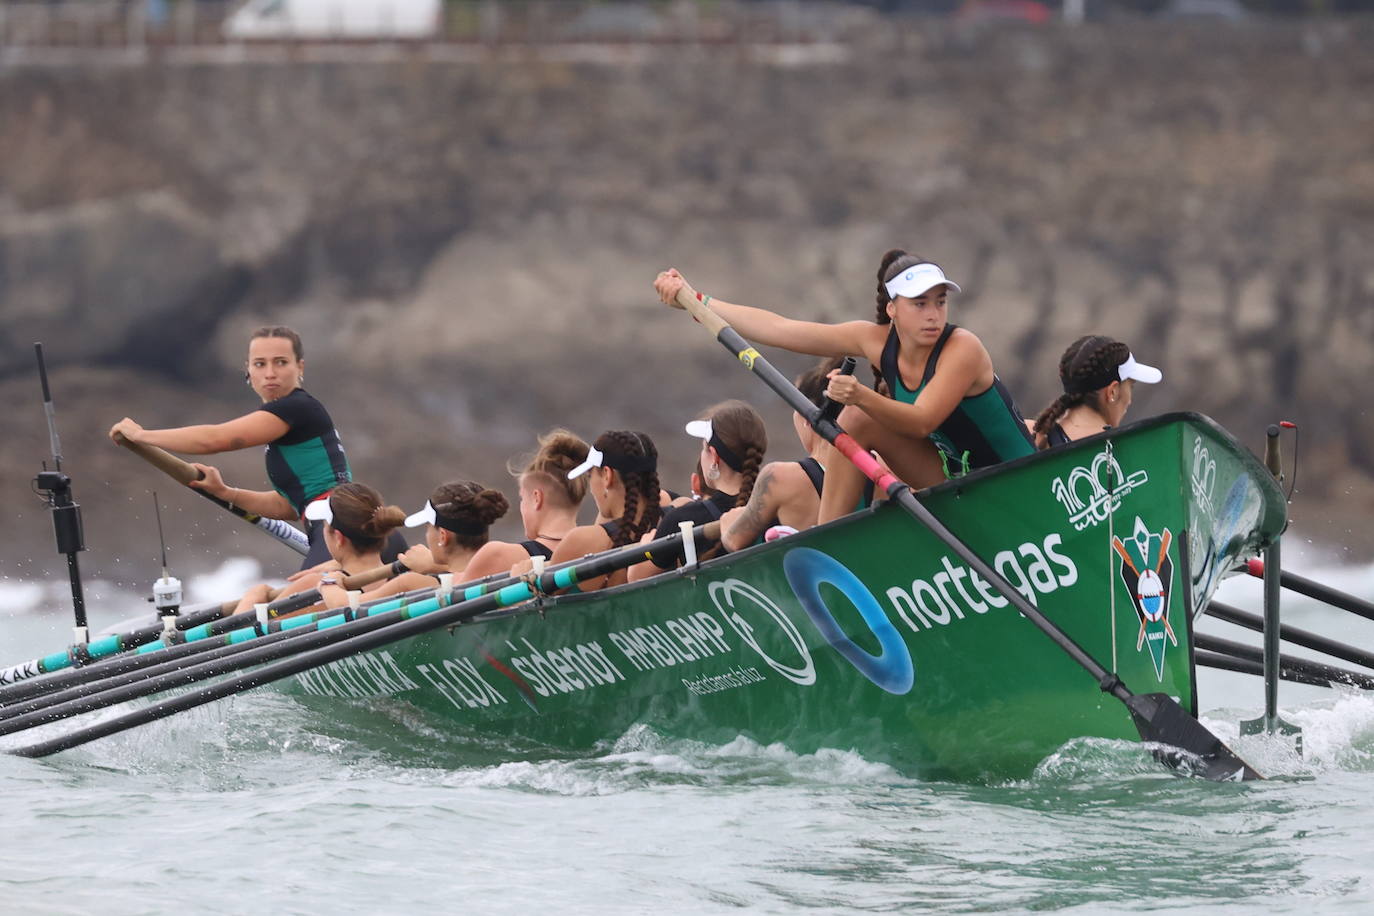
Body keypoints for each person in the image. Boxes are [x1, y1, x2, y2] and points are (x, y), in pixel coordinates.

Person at [655, 252, 1034, 523]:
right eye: (919, 304)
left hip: (1017, 480)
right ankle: (828, 540)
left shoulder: (962, 348)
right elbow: (781, 330)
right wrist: (698, 301)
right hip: (956, 477)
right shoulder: (873, 340)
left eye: (940, 302)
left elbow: (921, 422)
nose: (933, 314)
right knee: (852, 420)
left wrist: (860, 395)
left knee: (857, 410)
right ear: (892, 309)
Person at [107, 326, 400, 569]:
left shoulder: (297, 408)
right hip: (363, 532)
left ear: (299, 367)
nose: (270, 373)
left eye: (281, 362)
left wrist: (143, 435)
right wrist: (227, 493)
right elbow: (288, 505)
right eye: (260, 364)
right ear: (248, 370)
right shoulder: (290, 421)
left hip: (343, 537)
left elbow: (217, 440)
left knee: (287, 615)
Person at [627, 401, 767, 580]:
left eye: (703, 448)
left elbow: (637, 578)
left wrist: (646, 547)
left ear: (714, 457)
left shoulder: (682, 519)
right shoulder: (776, 505)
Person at [230, 482, 406, 615]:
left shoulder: (315, 585)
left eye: (324, 525)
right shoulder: (410, 577)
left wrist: (254, 595)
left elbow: (238, 638)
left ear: (338, 538)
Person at [519, 430, 662, 593]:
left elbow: (537, 605)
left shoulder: (582, 541)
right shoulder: (673, 519)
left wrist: (520, 575)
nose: (592, 489)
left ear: (607, 476)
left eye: (590, 475)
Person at [720, 358, 838, 551]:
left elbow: (734, 541)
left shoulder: (780, 477)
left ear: (808, 419)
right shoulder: (878, 465)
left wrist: (728, 524)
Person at [343, 481, 513, 604]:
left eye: (428, 527)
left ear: (443, 537)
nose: (426, 534)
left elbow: (346, 606)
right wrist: (434, 566)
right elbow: (467, 570)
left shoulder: (410, 583)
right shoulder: (511, 565)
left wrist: (329, 582)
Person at [460, 430, 590, 581]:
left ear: (537, 498)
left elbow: (453, 603)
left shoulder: (498, 556)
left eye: (522, 498)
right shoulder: (601, 549)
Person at [1029, 336, 1163, 448]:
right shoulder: (1127, 452)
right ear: (1113, 392)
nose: (1129, 401)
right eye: (1131, 387)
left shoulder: (1031, 436)